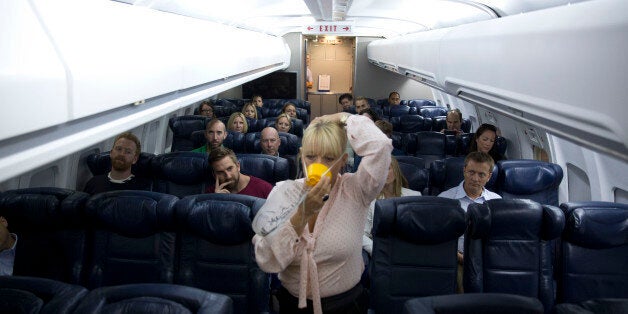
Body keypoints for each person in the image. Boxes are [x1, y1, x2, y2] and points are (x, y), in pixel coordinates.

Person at [253, 112, 392, 314]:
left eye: (329, 158)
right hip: (292, 304)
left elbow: (381, 146)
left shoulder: (356, 190)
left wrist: (344, 117)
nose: (318, 164)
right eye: (310, 156)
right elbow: (266, 259)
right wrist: (302, 213)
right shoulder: (282, 192)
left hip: (346, 305)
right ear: (301, 155)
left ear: (343, 160)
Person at [438, 152, 501, 292]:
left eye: (481, 174)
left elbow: (499, 238)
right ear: (464, 170)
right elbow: (440, 238)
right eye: (471, 172)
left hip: (489, 261)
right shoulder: (445, 199)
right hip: (456, 259)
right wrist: (462, 258)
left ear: (489, 176)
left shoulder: (497, 202)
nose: (475, 178)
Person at [363, 157, 421, 256]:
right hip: (381, 253)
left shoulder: (415, 196)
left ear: (396, 171)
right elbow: (362, 235)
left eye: (387, 168)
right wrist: (376, 251)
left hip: (408, 253)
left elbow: (419, 233)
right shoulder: (369, 200)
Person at [83, 132, 152, 195]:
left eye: (128, 152)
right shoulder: (94, 183)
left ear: (134, 159)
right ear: (111, 153)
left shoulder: (142, 187)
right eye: (119, 149)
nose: (121, 154)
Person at [205, 147, 272, 198]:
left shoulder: (264, 188)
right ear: (214, 175)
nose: (228, 176)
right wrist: (215, 200)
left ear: (238, 166)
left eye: (229, 169)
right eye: (220, 172)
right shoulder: (211, 194)